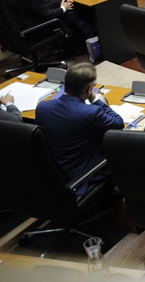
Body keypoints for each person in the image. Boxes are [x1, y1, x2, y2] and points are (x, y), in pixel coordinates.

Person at [34, 63, 124, 195]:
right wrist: (96, 100)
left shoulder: (43, 107)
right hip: (82, 175)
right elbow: (118, 123)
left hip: (52, 173)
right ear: (89, 89)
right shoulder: (90, 112)